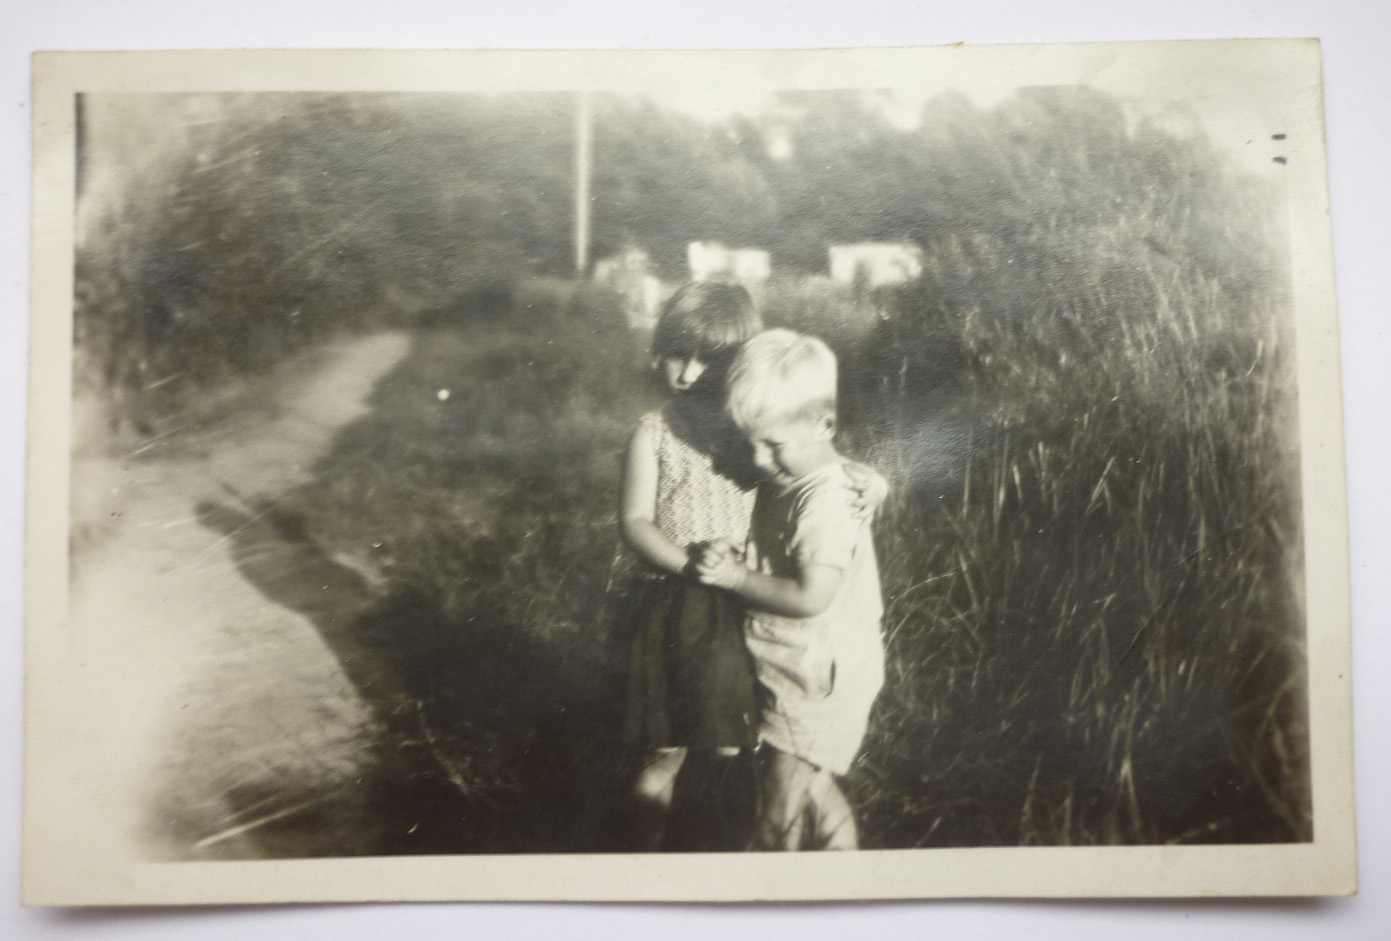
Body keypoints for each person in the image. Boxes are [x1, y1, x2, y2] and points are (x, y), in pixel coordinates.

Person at [619, 285, 884, 851]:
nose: (689, 373)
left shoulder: (749, 429)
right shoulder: (661, 430)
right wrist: (693, 566)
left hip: (753, 603)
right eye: (677, 355)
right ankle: (649, 865)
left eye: (709, 360)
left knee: (753, 751)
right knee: (672, 747)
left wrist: (873, 483)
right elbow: (635, 520)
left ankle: (742, 851)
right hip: (689, 601)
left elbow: (817, 463)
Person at [695, 328, 885, 851]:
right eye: (750, 442)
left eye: (773, 445)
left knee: (778, 811)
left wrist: (736, 578)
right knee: (812, 792)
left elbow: (811, 596)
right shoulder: (793, 477)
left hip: (818, 679)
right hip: (796, 669)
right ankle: (845, 880)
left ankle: (774, 890)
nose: (759, 460)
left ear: (825, 425)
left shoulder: (826, 501)